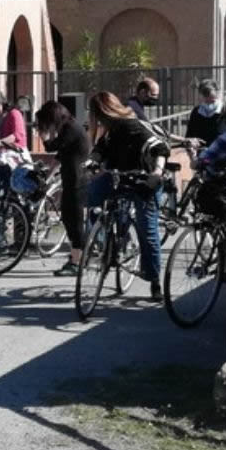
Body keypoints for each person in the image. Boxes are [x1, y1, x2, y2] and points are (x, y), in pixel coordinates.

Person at [87, 91, 171, 301]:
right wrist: (92, 161)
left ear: (103, 112)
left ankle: (154, 282)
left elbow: (160, 148)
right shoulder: (111, 130)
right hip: (122, 177)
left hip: (145, 181)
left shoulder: (132, 125)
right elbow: (100, 149)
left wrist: (157, 174)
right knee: (93, 196)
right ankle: (107, 240)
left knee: (147, 228)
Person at [34, 101, 89, 277]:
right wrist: (49, 177)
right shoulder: (68, 128)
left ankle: (77, 261)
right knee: (67, 217)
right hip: (70, 178)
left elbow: (52, 147)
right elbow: (59, 157)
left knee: (75, 220)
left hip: (78, 180)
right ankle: (76, 256)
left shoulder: (71, 129)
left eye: (47, 122)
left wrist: (43, 135)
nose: (48, 126)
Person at [185, 78, 226, 148]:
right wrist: (191, 143)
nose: (209, 105)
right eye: (206, 102)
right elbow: (189, 136)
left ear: (219, 96)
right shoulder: (196, 112)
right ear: (200, 98)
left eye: (212, 101)